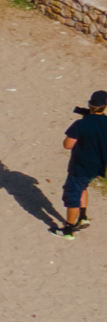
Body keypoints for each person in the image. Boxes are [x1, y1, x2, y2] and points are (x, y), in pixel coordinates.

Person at [50, 90, 107, 240]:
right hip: (97, 166)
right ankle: (83, 217)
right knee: (83, 187)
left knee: (73, 194)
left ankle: (68, 229)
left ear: (90, 104)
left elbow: (67, 145)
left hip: (81, 166)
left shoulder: (81, 124)